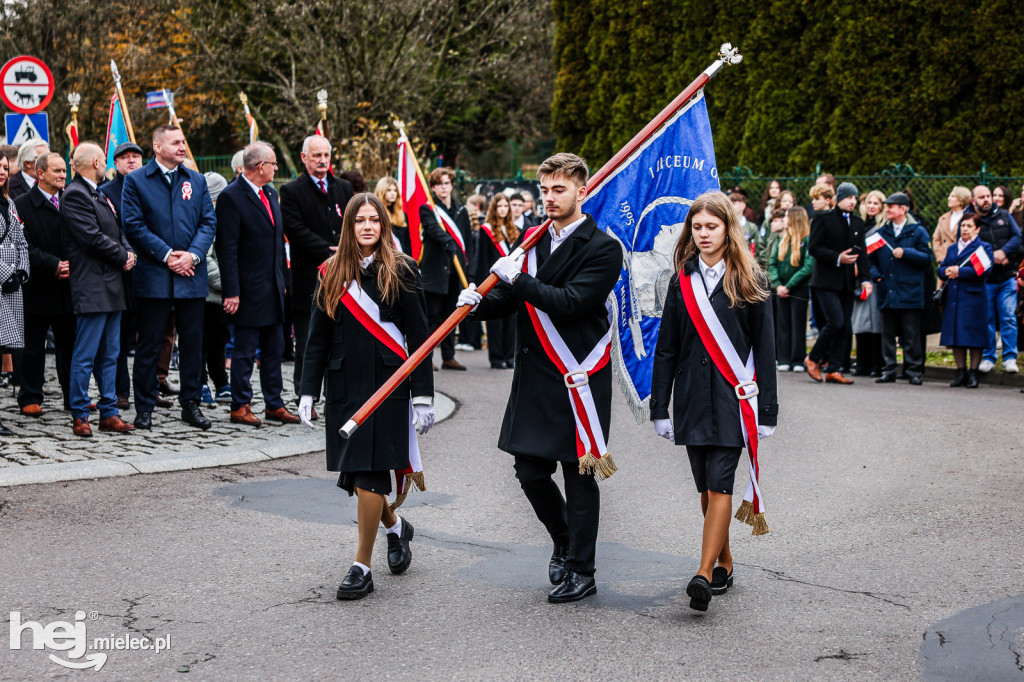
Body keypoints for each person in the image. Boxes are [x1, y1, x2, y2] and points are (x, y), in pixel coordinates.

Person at [461, 153, 622, 603]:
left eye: (559, 190)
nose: (549, 199)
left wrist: (521, 280)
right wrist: (476, 303)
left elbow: (570, 301)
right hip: (535, 373)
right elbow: (513, 299)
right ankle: (564, 537)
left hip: (578, 375)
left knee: (578, 473)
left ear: (581, 191)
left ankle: (583, 570)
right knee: (529, 471)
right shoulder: (532, 242)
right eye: (545, 190)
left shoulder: (604, 247)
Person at [297, 193, 434, 600]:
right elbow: (316, 338)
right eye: (360, 221)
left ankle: (361, 566)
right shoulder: (329, 272)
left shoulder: (403, 269)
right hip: (344, 389)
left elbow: (420, 337)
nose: (368, 226)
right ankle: (396, 528)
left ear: (384, 224)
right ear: (349, 226)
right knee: (357, 478)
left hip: (387, 388)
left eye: (375, 219)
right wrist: (307, 390)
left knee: (371, 476)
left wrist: (423, 394)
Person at [651, 191, 777, 613]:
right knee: (706, 487)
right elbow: (666, 347)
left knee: (720, 480)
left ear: (728, 229)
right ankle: (724, 558)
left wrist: (768, 410)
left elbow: (766, 348)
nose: (703, 234)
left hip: (731, 398)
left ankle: (703, 574)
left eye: (712, 226)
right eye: (697, 227)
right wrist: (658, 407)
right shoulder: (680, 280)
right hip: (689, 399)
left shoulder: (750, 280)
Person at [122, 125, 217, 430]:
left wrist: (192, 255)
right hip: (154, 276)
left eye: (183, 142)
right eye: (175, 142)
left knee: (192, 344)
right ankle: (145, 407)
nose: (181, 146)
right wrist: (167, 255)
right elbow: (133, 226)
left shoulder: (196, 180)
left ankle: (191, 405)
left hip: (191, 274)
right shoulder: (136, 181)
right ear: (157, 147)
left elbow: (208, 222)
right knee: (149, 344)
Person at [215, 142, 299, 426]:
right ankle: (240, 404)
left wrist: (283, 282)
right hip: (247, 291)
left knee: (274, 349)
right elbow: (227, 249)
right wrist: (232, 292)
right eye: (274, 163)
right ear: (260, 166)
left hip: (273, 287)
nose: (277, 168)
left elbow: (277, 244)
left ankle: (274, 403)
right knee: (245, 351)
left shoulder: (271, 193)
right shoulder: (231, 196)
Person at [59, 143, 137, 436]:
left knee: (111, 354)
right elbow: (91, 238)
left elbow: (117, 231)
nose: (106, 164)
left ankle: (109, 411)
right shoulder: (76, 195)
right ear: (94, 162)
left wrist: (129, 252)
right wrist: (122, 256)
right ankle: (80, 414)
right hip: (92, 286)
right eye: (104, 160)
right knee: (85, 353)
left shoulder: (97, 192)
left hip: (112, 285)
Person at [280, 135, 355, 402]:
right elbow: (296, 230)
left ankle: (338, 396)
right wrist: (328, 251)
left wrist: (346, 249)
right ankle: (305, 395)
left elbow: (352, 222)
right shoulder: (291, 191)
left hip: (343, 277)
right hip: (308, 278)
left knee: (341, 341)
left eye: (326, 155)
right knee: (309, 341)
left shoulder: (344, 188)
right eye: (316, 156)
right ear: (304, 158)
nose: (322, 161)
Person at [14, 152, 74, 415]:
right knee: (33, 346)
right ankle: (30, 396)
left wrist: (72, 264)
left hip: (69, 286)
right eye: (57, 171)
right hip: (36, 286)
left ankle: (74, 396)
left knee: (70, 346)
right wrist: (53, 264)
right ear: (40, 174)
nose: (63, 175)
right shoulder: (22, 204)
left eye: (64, 171)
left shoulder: (71, 200)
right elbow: (22, 245)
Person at [805, 182, 871, 384]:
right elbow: (814, 248)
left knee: (845, 326)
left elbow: (862, 255)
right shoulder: (822, 220)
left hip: (847, 282)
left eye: (854, 198)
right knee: (835, 322)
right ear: (838, 199)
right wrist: (837, 258)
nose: (852, 201)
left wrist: (866, 279)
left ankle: (834, 369)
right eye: (848, 197)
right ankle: (813, 358)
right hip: (825, 281)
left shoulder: (858, 223)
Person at [99, 141, 145, 409]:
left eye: (135, 157)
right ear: (114, 164)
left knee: (148, 336)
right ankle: (121, 391)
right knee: (117, 337)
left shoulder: (152, 188)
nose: (131, 161)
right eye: (124, 157)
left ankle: (148, 388)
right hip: (119, 272)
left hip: (150, 270)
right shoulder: (105, 192)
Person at [869, 192, 932, 385]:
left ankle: (913, 370)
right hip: (887, 290)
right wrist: (877, 276)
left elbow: (926, 258)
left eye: (892, 206)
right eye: (887, 205)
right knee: (888, 335)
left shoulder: (917, 231)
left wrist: (906, 253)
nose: (887, 209)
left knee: (910, 334)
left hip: (909, 291)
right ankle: (889, 370)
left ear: (903, 209)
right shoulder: (881, 232)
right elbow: (870, 259)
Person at [420, 167, 472, 371]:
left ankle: (449, 357)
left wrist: (469, 269)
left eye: (447, 183)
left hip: (455, 272)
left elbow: (467, 241)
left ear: (451, 185)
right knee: (432, 316)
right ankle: (427, 356)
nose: (444, 187)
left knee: (452, 316)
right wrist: (449, 241)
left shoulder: (461, 211)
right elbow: (432, 230)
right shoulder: (428, 209)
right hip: (434, 272)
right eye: (439, 183)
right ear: (433, 187)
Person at [969, 185, 1022, 374]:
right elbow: (968, 247)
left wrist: (1004, 251)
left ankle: (1009, 358)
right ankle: (988, 357)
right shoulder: (970, 220)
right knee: (987, 319)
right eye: (982, 197)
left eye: (988, 196)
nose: (987, 200)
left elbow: (1017, 237)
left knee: (1008, 317)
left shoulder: (1005, 216)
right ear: (973, 201)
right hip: (985, 279)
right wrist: (993, 256)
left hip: (1007, 277)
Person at [938, 213, 993, 389]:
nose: (965, 229)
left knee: (974, 337)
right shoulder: (953, 248)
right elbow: (942, 267)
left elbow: (984, 270)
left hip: (974, 298)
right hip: (954, 297)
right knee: (956, 336)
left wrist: (960, 272)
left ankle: (973, 373)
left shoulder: (983, 247)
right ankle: (960, 372)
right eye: (963, 226)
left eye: (969, 226)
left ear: (977, 229)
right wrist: (946, 271)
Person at [0, 152, 29, 436]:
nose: (2, 171)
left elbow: (21, 238)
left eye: (4, 167)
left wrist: (22, 271)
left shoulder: (9, 203)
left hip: (10, 289)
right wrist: (6, 273)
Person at [474, 193, 518, 369]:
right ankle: (496, 357)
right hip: (493, 282)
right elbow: (482, 259)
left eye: (505, 206)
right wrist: (483, 285)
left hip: (511, 282)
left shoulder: (514, 229)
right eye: (499, 206)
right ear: (494, 208)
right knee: (494, 323)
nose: (502, 209)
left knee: (511, 321)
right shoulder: (486, 230)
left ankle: (509, 356)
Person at [768, 207, 814, 371]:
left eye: (787, 217)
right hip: (780, 289)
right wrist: (778, 284)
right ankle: (784, 359)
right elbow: (772, 263)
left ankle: (797, 360)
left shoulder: (807, 239)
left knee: (797, 324)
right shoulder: (782, 240)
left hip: (798, 289)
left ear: (795, 219)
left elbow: (808, 267)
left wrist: (789, 286)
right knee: (783, 324)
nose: (784, 219)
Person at [201, 172, 230, 405]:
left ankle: (221, 381)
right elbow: (206, 257)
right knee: (204, 340)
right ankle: (201, 382)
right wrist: (225, 281)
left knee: (220, 340)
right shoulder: (206, 219)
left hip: (221, 297)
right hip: (209, 294)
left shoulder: (223, 216)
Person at [851, 190, 887, 377]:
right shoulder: (860, 225)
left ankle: (876, 364)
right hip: (859, 279)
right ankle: (862, 363)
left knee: (875, 324)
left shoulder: (883, 228)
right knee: (860, 324)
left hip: (874, 279)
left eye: (876, 203)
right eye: (869, 202)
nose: (872, 206)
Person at [932, 186, 971, 265]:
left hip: (962, 263)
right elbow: (936, 239)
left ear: (961, 201)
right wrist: (940, 257)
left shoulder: (969, 218)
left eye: (953, 196)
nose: (948, 198)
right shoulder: (943, 218)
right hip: (944, 263)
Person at [374, 176, 410, 254]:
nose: (393, 193)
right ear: (382, 192)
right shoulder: (375, 214)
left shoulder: (402, 215)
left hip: (401, 257)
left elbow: (407, 242)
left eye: (395, 190)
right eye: (389, 190)